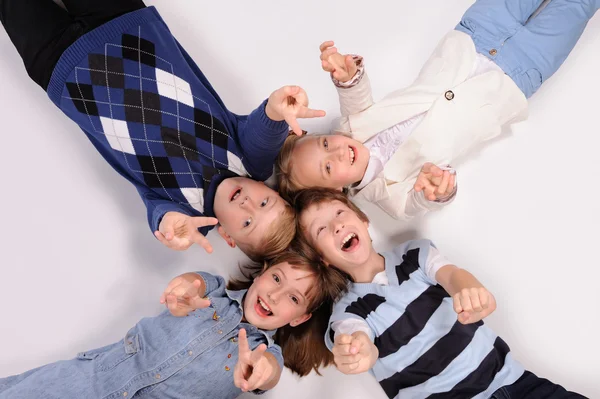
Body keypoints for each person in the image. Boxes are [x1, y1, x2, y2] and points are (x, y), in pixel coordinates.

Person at [0, 0, 325, 260]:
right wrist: (278, 110)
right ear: (268, 188)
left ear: (226, 234)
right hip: (124, 23)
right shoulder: (249, 160)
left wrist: (171, 225)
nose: (248, 205)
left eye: (247, 223)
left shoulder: (184, 209)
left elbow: (162, 215)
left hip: (61, 66)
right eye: (264, 203)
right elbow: (265, 130)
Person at [277, 0, 599, 220]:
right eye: (328, 168)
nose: (336, 152)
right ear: (335, 191)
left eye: (323, 145)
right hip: (515, 76)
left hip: (474, 37)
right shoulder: (392, 199)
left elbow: (355, 92)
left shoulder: (349, 125)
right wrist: (436, 189)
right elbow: (422, 199)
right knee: (578, 5)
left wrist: (346, 75)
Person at [293, 188, 585, 399]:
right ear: (323, 259)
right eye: (322, 230)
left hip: (516, 383)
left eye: (340, 213)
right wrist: (357, 353)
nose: (337, 226)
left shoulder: (414, 255)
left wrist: (469, 290)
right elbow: (357, 341)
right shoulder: (348, 313)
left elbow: (451, 274)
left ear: (364, 221)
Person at [0, 251, 349, 398]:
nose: (275, 295)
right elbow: (192, 282)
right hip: (90, 381)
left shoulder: (264, 351)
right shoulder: (212, 290)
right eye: (277, 278)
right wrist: (184, 288)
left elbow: (269, 372)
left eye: (293, 298)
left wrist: (263, 369)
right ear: (260, 273)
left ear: (299, 318)